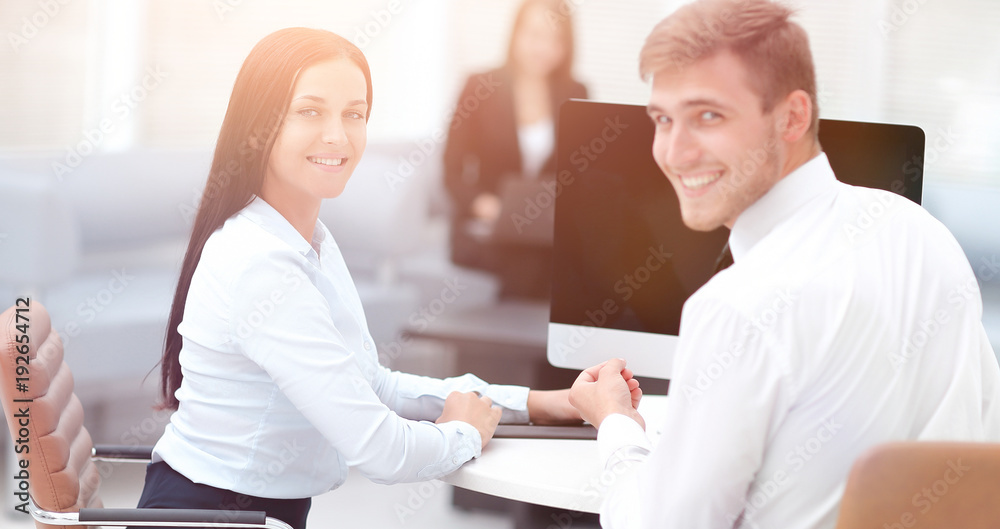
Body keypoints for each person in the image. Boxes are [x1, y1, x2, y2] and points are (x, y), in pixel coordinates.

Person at [568, 1, 1000, 527]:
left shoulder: (735, 308)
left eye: (708, 115)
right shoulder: (921, 230)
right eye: (662, 119)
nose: (674, 152)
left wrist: (616, 424)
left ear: (793, 116)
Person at [136, 28, 580, 529]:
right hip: (209, 516)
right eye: (310, 111)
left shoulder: (311, 241)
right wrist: (464, 435)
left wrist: (550, 403)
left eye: (354, 114)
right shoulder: (261, 265)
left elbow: (375, 387)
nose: (338, 134)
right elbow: (381, 449)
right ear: (259, 126)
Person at [443, 0, 588, 300]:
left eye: (554, 39)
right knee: (529, 264)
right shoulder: (480, 86)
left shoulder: (576, 93)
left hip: (547, 231)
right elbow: (452, 169)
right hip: (486, 226)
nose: (543, 48)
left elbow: (581, 172)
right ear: (516, 34)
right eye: (535, 35)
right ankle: (533, 346)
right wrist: (487, 206)